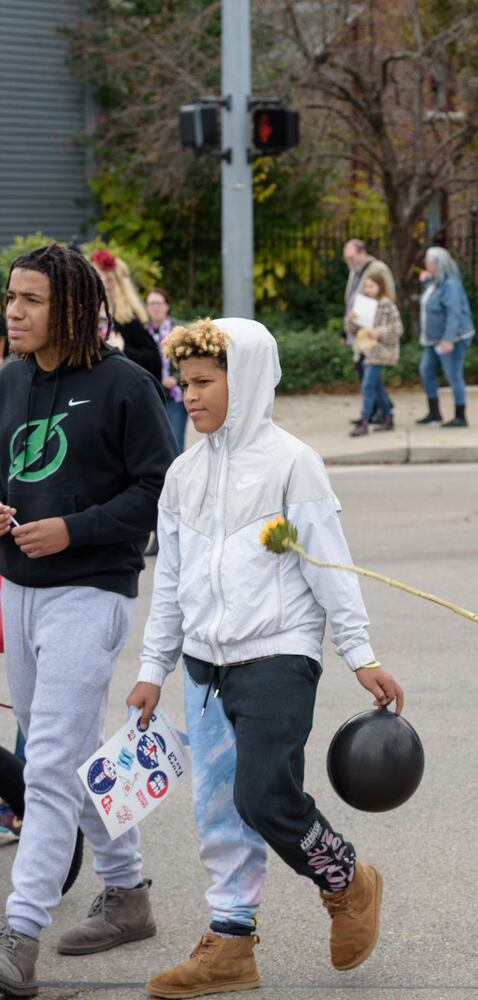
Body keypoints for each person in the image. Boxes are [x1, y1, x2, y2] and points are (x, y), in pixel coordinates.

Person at [124, 318, 402, 997]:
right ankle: (230, 943)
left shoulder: (291, 462)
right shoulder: (183, 475)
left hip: (278, 655)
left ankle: (345, 881)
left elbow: (330, 565)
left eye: (204, 382)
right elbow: (171, 585)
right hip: (203, 665)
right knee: (217, 809)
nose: (188, 396)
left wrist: (358, 651)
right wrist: (150, 669)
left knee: (260, 794)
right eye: (183, 384)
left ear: (242, 380)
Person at [0, 244, 177, 996]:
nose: (14, 311)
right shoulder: (7, 380)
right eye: (11, 297)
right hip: (17, 587)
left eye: (31, 300)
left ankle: (20, 934)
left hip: (91, 590)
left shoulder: (125, 385)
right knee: (64, 754)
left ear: (72, 307)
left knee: (44, 764)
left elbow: (162, 489)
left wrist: (75, 530)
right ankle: (128, 891)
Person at [415, 247, 475, 429]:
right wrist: (426, 282)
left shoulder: (451, 285)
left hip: (452, 339)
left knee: (454, 376)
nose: (426, 264)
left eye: (429, 262)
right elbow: (433, 303)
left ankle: (460, 416)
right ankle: (434, 412)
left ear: (439, 264)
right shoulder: (435, 282)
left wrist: (449, 339)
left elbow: (454, 313)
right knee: (426, 371)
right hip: (434, 339)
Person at [91, 249, 165, 380]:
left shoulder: (127, 319)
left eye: (102, 279)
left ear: (112, 283)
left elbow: (153, 359)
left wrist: (123, 349)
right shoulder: (86, 316)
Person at [349, 268, 403, 437]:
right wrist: (350, 320)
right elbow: (353, 330)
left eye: (371, 286)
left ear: (380, 287)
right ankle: (388, 416)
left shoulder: (387, 305)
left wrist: (379, 332)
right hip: (366, 349)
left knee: (367, 385)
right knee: (376, 386)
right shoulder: (364, 305)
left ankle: (364, 422)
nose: (367, 290)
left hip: (380, 351)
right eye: (366, 286)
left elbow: (397, 328)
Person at [340, 240, 396, 392]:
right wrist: (345, 329)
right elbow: (351, 298)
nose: (348, 262)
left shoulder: (378, 269)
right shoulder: (355, 270)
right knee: (361, 368)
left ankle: (381, 411)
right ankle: (378, 410)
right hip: (357, 325)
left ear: (362, 253)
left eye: (351, 258)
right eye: (346, 259)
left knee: (368, 370)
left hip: (372, 328)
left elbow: (388, 296)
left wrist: (379, 327)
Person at [145, 287, 188, 450]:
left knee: (175, 441)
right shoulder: (142, 331)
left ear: (167, 305)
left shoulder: (180, 330)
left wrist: (176, 377)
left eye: (159, 303)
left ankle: (178, 475)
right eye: (151, 304)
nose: (155, 307)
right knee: (154, 442)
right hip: (151, 395)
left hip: (175, 395)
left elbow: (191, 359)